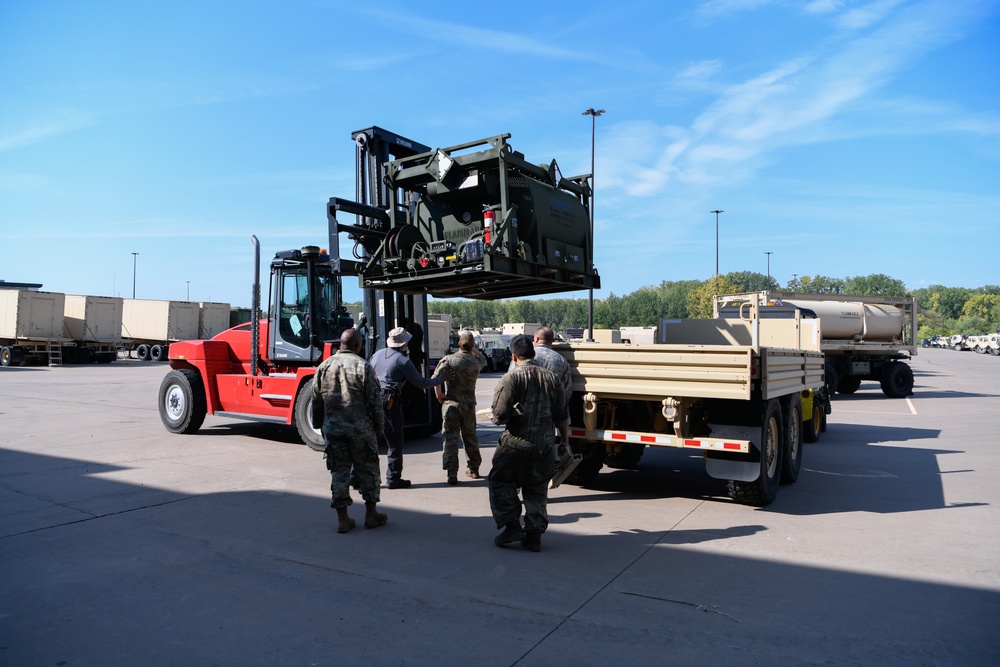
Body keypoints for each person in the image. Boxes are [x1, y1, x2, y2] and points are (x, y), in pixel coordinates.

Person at [488, 334, 569, 552]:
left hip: (516, 444)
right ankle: (534, 535)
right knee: (537, 488)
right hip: (544, 445)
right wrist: (564, 443)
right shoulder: (554, 379)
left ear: (514, 357)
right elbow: (562, 416)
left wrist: (496, 416)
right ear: (533, 353)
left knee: (500, 481)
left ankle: (511, 525)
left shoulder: (511, 378)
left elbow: (499, 416)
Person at [312, 328, 388, 533]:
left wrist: (321, 426)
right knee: (369, 470)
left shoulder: (323, 366)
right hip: (360, 430)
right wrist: (379, 428)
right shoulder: (363, 366)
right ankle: (371, 514)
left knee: (339, 472)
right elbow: (375, 403)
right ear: (356, 346)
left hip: (334, 430)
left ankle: (343, 519)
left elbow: (316, 401)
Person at [371, 326, 451, 489]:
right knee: (394, 442)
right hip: (389, 403)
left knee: (368, 440)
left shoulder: (377, 355)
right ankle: (393, 478)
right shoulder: (402, 361)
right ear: (404, 344)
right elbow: (420, 383)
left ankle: (357, 476)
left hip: (373, 400)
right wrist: (440, 380)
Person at [433, 330, 487, 485]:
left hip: (451, 404)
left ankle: (452, 473)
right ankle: (474, 469)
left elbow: (436, 378)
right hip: (469, 405)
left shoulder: (449, 360)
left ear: (458, 344)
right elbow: (482, 357)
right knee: (470, 437)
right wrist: (473, 348)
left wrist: (439, 394)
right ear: (472, 345)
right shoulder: (476, 362)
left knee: (450, 439)